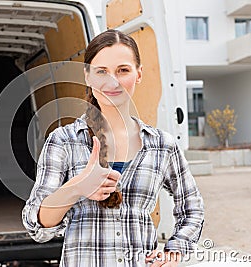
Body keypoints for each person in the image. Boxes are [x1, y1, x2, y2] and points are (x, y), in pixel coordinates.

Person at [22, 29, 204, 267]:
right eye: (102, 72)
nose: (112, 81)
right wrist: (76, 187)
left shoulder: (162, 145)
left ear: (138, 74)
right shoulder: (63, 140)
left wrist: (174, 251)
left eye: (123, 70)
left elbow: (193, 208)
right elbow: (36, 226)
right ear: (87, 76)